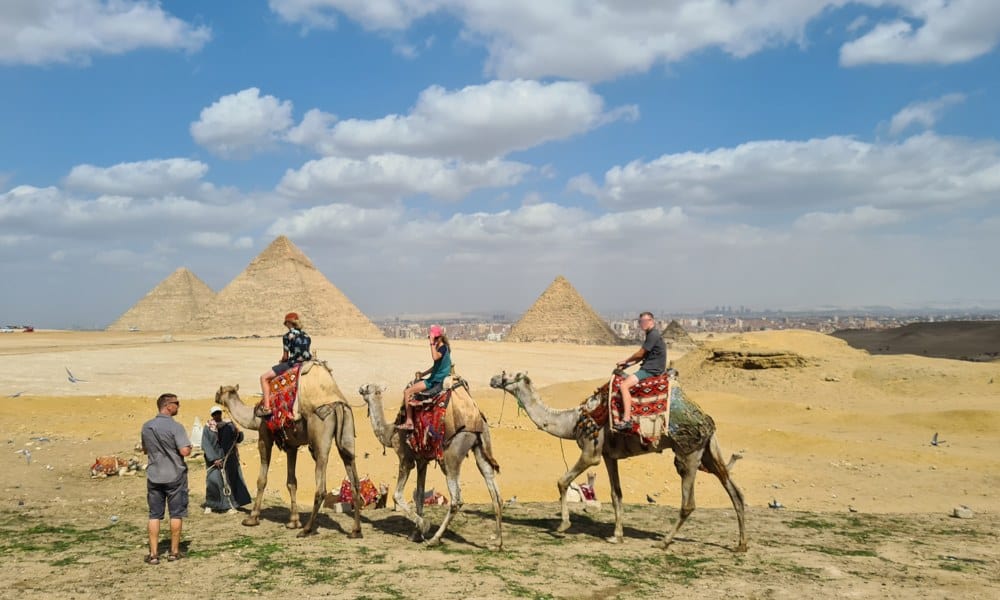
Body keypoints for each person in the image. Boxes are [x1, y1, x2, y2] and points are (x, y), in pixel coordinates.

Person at [140, 393, 192, 564]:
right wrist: (187, 448)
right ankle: (174, 551)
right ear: (168, 406)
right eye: (176, 403)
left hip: (154, 475)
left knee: (154, 515)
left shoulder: (147, 427)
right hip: (175, 475)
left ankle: (154, 554)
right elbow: (184, 451)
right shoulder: (176, 427)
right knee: (176, 514)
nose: (178, 406)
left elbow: (146, 450)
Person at [614, 312, 667, 431]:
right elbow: (642, 357)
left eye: (644, 321)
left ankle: (626, 420)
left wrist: (626, 359)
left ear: (652, 321)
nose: (642, 324)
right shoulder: (651, 334)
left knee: (623, 386)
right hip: (649, 367)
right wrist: (627, 364)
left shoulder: (653, 334)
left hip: (651, 370)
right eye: (640, 321)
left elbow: (640, 353)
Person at [258, 312, 312, 417]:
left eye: (286, 323)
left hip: (294, 363)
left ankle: (267, 407)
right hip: (307, 363)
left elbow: (285, 357)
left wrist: (281, 361)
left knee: (264, 378)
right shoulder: (306, 335)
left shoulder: (287, 336)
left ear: (288, 323)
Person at [398, 325, 452, 430]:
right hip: (435, 378)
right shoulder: (444, 347)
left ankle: (409, 422)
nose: (433, 340)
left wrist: (431, 343)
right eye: (432, 338)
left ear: (440, 337)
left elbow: (435, 357)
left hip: (435, 381)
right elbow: (436, 366)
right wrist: (423, 374)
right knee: (414, 385)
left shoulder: (442, 348)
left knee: (407, 392)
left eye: (435, 338)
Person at [201, 405, 252, 514]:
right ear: (212, 415)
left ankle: (231, 505)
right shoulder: (207, 427)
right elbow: (206, 444)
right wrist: (214, 459)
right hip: (214, 459)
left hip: (229, 458)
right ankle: (210, 504)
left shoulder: (228, 425)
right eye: (215, 414)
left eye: (218, 413)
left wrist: (238, 432)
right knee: (214, 481)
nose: (217, 415)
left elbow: (237, 439)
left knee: (230, 481)